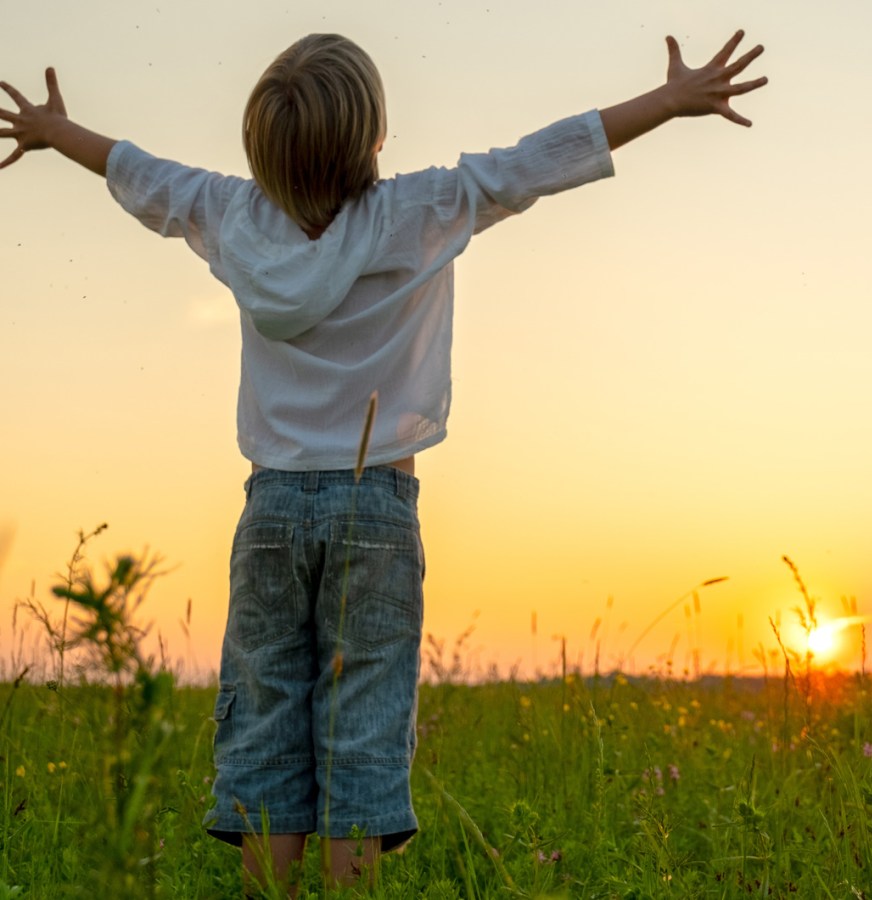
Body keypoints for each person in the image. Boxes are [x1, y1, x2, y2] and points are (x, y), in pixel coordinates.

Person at [0, 29, 766, 893]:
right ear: (373, 136)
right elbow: (536, 161)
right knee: (360, 728)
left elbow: (140, 173)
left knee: (265, 720)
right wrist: (665, 102)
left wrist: (55, 133)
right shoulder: (420, 211)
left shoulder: (232, 216)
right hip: (379, 510)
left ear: (263, 145)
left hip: (270, 514)